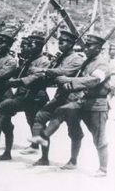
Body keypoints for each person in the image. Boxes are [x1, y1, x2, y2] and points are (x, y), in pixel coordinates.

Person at [29, 34, 111, 177]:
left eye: (90, 46)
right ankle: (44, 137)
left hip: (97, 105)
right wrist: (69, 84)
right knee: (62, 110)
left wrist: (70, 80)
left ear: (98, 49)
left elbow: (94, 80)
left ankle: (103, 168)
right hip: (83, 101)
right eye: (86, 45)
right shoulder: (87, 62)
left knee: (98, 138)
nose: (86, 48)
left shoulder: (102, 64)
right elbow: (79, 79)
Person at [0, 31, 51, 160]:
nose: (28, 48)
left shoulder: (44, 61)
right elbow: (19, 73)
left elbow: (36, 77)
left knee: (37, 125)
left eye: (31, 45)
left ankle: (44, 157)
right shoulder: (29, 60)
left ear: (39, 46)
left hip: (37, 97)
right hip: (25, 96)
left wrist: (17, 81)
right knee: (6, 107)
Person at [26, 30, 85, 165]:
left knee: (74, 130)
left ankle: (73, 160)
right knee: (40, 116)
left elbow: (64, 72)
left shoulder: (77, 59)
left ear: (71, 44)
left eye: (62, 42)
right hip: (60, 96)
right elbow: (52, 76)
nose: (59, 44)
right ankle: (44, 157)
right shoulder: (60, 58)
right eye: (59, 41)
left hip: (72, 97)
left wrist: (44, 70)